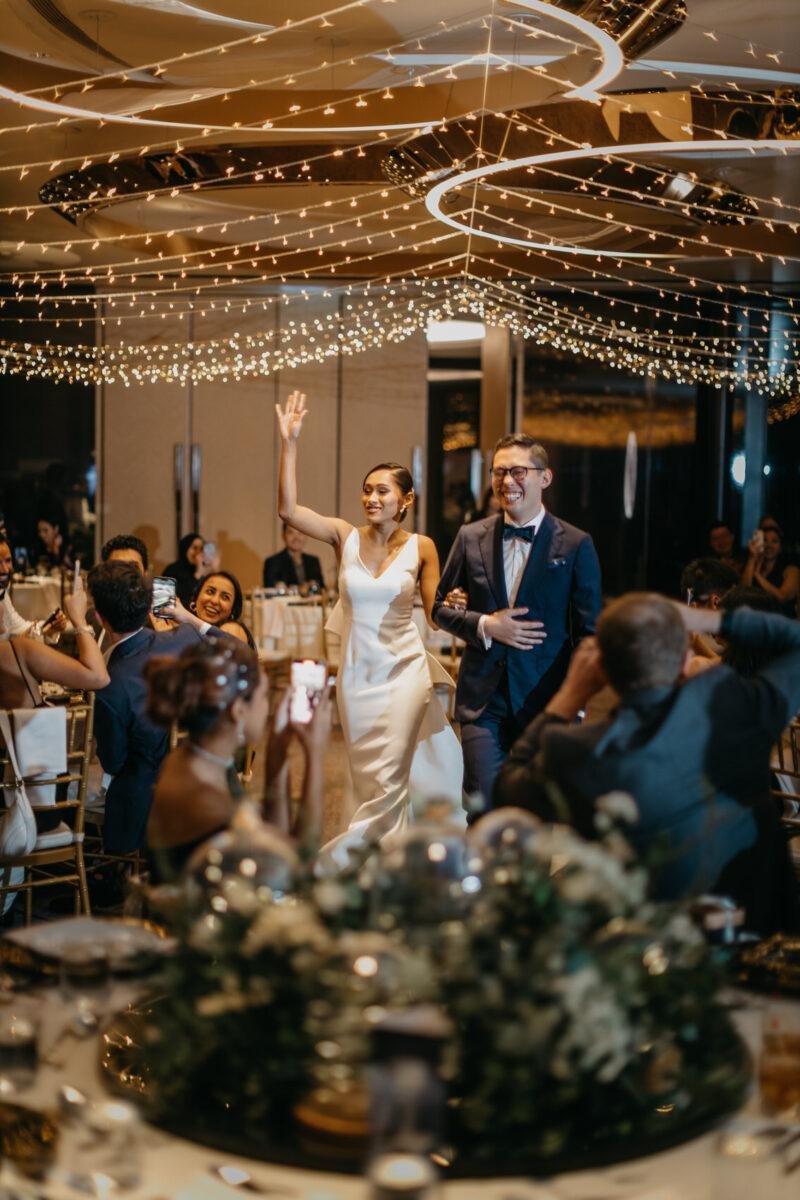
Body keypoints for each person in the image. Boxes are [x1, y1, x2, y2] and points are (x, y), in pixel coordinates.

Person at [494, 594, 800, 934]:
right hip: (765, 933)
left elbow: (508, 786)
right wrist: (706, 620)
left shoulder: (572, 751)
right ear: (685, 660)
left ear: (603, 673)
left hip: (649, 950)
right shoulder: (735, 705)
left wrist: (569, 696)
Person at [276, 390, 463, 857]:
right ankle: (383, 861)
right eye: (367, 490)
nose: (371, 498)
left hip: (405, 673)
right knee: (367, 777)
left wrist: (456, 604)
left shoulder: (422, 546)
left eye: (382, 490)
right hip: (357, 679)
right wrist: (291, 444)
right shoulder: (344, 536)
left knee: (393, 774)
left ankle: (347, 861)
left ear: (405, 499)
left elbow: (436, 616)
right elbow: (289, 511)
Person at [432, 432, 602, 811]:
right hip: (483, 699)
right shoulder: (470, 536)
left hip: (547, 698)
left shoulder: (575, 544)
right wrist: (484, 624)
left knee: (536, 809)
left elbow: (589, 634)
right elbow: (439, 607)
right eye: (499, 472)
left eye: (518, 472)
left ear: (545, 477)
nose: (507, 482)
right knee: (482, 802)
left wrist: (576, 702)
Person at [144, 640, 330, 880]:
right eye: (265, 696)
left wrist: (277, 752)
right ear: (239, 710)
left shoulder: (199, 760)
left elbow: (275, 839)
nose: (269, 706)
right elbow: (297, 866)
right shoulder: (207, 800)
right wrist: (315, 756)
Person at [88, 561, 230, 855]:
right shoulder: (185, 638)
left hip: (147, 802)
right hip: (204, 775)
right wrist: (187, 617)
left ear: (101, 619)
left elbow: (113, 763)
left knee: (78, 782)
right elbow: (239, 650)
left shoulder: (110, 687)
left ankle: (108, 875)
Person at [0, 571, 108, 709]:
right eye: (1, 597)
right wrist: (78, 619)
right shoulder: (17, 650)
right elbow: (98, 678)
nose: (5, 606)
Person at [0, 537, 67, 643]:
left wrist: (49, 626)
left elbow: (18, 627)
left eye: (8, 561)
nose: (5, 569)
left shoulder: (2, 593)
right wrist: (21, 642)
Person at [742, 523, 799, 617]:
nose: (769, 545)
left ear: (781, 547)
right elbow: (742, 593)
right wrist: (752, 557)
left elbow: (782, 597)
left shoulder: (791, 570)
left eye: (774, 541)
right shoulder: (752, 565)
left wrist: (757, 575)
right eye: (764, 540)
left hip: (782, 624)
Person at [190, 570, 255, 648]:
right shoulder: (181, 626)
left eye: (225, 597)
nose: (215, 601)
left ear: (232, 610)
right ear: (197, 598)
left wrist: (186, 617)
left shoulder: (234, 629)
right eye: (210, 591)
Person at [263, 524, 325, 591]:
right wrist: (302, 588)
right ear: (283, 536)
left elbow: (322, 587)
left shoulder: (313, 561)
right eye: (290, 533)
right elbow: (270, 588)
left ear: (306, 536)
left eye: (300, 533)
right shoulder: (272, 562)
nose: (296, 538)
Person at [163, 532, 206, 608]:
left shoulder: (200, 570)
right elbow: (168, 601)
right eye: (195, 548)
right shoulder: (172, 570)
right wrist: (197, 574)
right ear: (185, 549)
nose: (198, 553)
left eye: (201, 549)